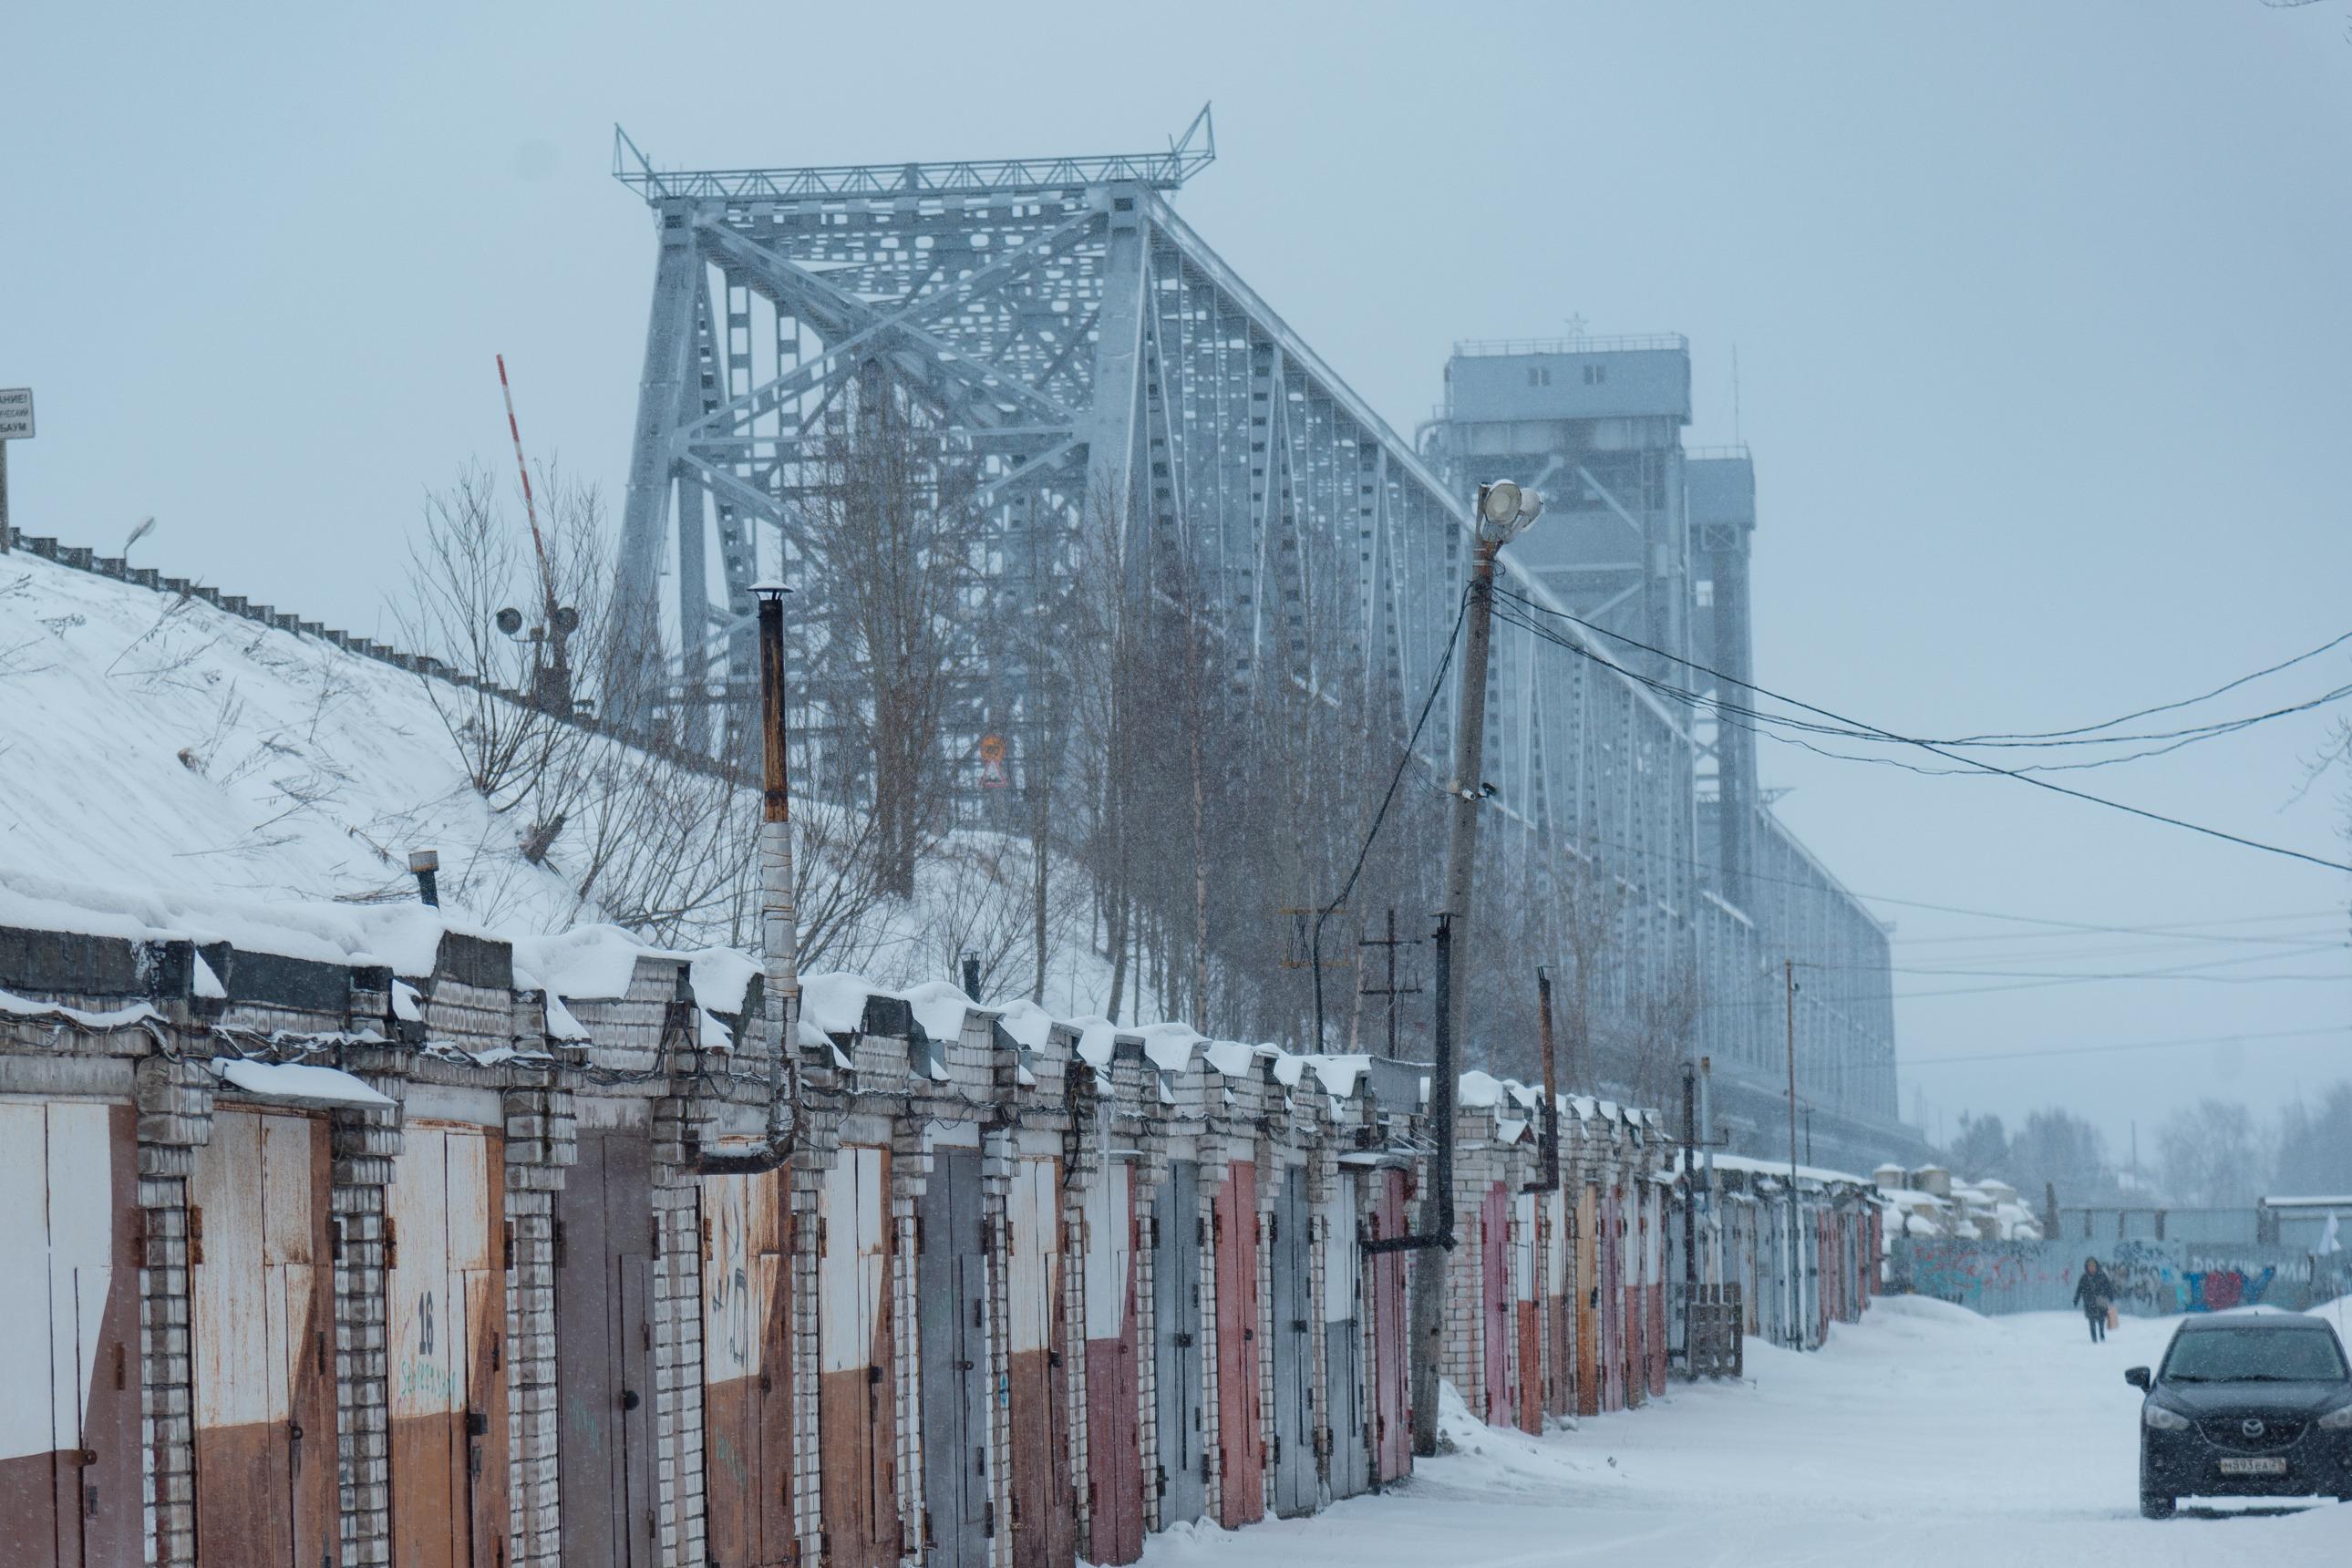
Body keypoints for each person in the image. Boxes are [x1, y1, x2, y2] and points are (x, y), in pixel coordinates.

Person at [2073, 1256, 2114, 1343]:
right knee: (2091, 1320)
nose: (2092, 1268)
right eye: (2090, 1266)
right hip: (2089, 1302)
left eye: (2093, 1266)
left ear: (2096, 1266)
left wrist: (2110, 1296)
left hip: (2101, 1301)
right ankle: (2094, 1338)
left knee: (2101, 1319)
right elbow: (2079, 1289)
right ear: (2087, 1267)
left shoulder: (2102, 1275)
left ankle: (2102, 1335)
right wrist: (2076, 1299)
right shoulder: (2084, 1278)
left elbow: (2108, 1287)